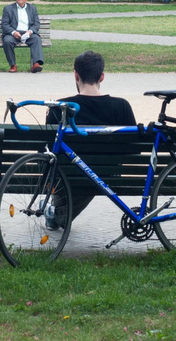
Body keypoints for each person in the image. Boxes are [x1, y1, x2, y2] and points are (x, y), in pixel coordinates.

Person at [55, 50, 139, 227]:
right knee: (92, 174)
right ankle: (60, 215)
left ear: (76, 75)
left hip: (69, 176)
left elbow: (50, 149)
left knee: (72, 171)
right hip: (108, 176)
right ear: (102, 77)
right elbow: (134, 149)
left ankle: (58, 214)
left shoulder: (61, 107)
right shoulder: (121, 106)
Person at [1, 0, 43, 73]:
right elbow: (4, 24)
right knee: (7, 41)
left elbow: (36, 23)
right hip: (13, 33)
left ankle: (36, 64)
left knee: (36, 39)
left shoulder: (32, 9)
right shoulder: (8, 9)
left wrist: (30, 31)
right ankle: (13, 65)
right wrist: (13, 32)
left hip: (28, 33)